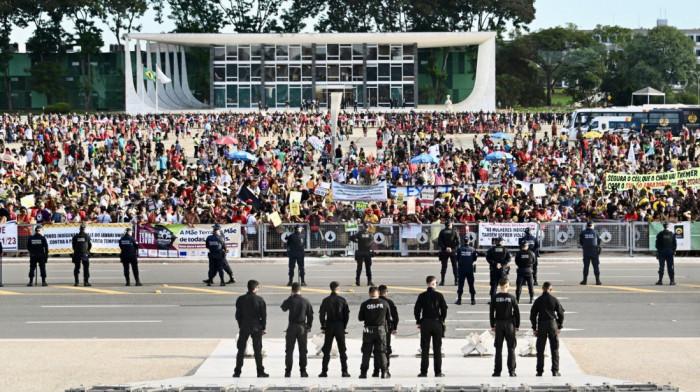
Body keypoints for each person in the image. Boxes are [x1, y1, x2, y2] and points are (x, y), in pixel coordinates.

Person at [233, 280, 269, 378]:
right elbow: (263, 315)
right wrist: (263, 327)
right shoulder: (260, 299)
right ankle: (260, 371)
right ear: (255, 288)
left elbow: (238, 315)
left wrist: (241, 325)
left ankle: (237, 372)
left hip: (244, 325)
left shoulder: (240, 299)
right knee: (257, 349)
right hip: (256, 325)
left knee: (240, 349)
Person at [414, 275, 448, 377]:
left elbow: (417, 310)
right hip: (437, 323)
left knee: (425, 349)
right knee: (437, 349)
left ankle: (423, 372)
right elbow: (444, 310)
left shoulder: (421, 296)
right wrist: (442, 320)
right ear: (433, 283)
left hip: (425, 323)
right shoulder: (439, 295)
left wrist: (419, 321)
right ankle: (438, 372)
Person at [530, 282, 565, 377]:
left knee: (540, 350)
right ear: (550, 289)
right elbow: (561, 314)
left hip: (541, 325)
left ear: (542, 289)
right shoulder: (554, 300)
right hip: (552, 324)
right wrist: (559, 325)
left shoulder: (538, 300)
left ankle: (539, 371)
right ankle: (555, 370)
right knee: (554, 349)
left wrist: (534, 328)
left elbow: (533, 315)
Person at [281, 282, 313, 378]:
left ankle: (288, 371)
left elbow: (283, 308)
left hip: (291, 327)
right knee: (303, 350)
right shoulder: (306, 301)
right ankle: (303, 371)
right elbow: (310, 315)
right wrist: (309, 326)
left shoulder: (291, 300)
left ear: (292, 291)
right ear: (300, 290)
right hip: (302, 327)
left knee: (289, 350)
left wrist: (290, 297)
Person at [358, 285, 391, 379]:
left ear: (369, 294)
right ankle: (384, 372)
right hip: (380, 330)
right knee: (381, 352)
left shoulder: (365, 304)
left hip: (368, 330)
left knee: (366, 352)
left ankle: (363, 373)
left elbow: (360, 318)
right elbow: (389, 318)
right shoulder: (384, 303)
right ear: (379, 293)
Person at [319, 281, 351, 378]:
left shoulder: (326, 300)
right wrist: (344, 326)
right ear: (338, 288)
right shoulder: (342, 300)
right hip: (340, 326)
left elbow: (321, 315)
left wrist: (323, 326)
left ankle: (324, 371)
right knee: (342, 350)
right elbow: (346, 315)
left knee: (326, 349)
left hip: (329, 326)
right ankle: (344, 371)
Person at [489, 278, 520, 377]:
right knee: (511, 348)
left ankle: (497, 371)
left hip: (499, 324)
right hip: (510, 324)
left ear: (500, 286)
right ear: (506, 286)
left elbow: (491, 312)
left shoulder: (495, 297)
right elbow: (517, 313)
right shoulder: (512, 297)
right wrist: (517, 325)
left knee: (498, 349)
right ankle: (512, 371)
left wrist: (492, 325)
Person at [373, 285, 398, 378]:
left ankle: (375, 370)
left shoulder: (374, 301)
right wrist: (394, 327)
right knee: (385, 349)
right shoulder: (389, 302)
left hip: (374, 328)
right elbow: (395, 316)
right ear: (386, 292)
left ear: (378, 292)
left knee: (376, 349)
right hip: (386, 328)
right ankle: (386, 369)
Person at [455, 236, 478, 305]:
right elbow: (475, 258)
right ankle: (473, 300)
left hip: (461, 268)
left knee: (460, 284)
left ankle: (459, 300)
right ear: (469, 241)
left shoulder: (459, 249)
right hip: (469, 268)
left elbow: (457, 258)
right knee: (471, 284)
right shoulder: (473, 249)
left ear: (463, 241)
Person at [437, 220, 460, 286]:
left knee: (444, 267)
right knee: (455, 266)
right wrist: (451, 248)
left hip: (444, 251)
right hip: (453, 251)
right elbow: (458, 242)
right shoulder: (454, 232)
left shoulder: (442, 232)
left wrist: (445, 248)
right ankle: (456, 281)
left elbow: (439, 242)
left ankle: (442, 281)